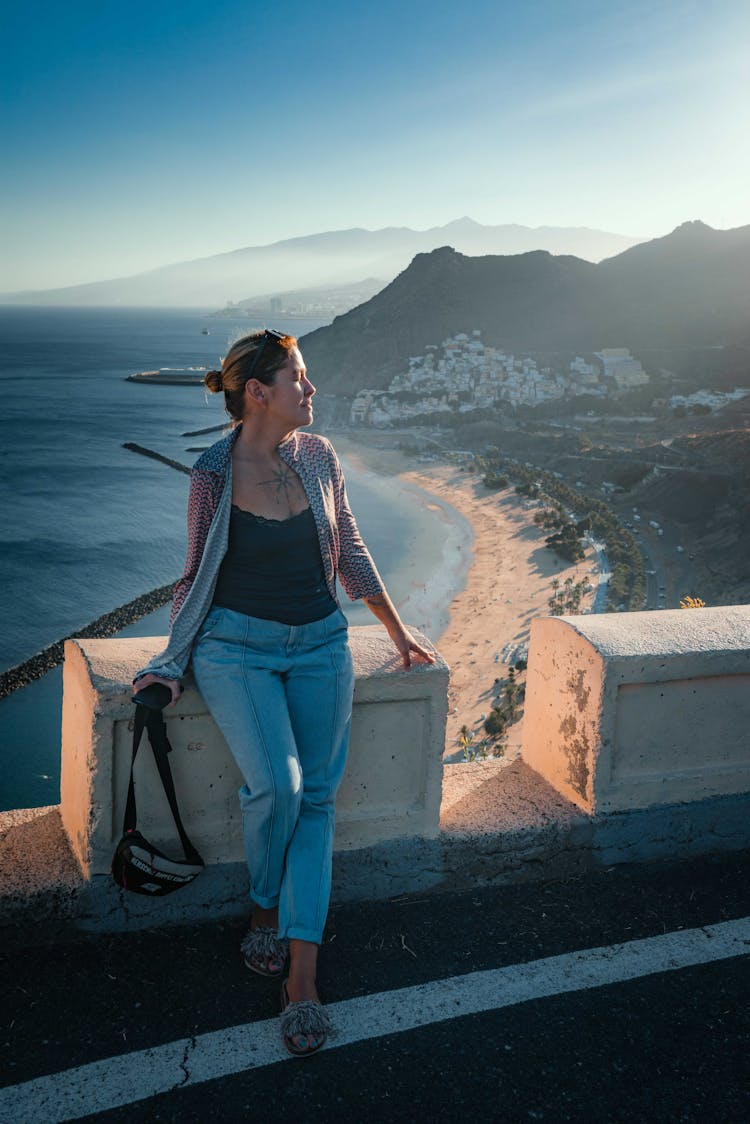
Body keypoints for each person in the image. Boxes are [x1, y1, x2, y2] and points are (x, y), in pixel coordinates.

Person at [133, 329, 434, 1057]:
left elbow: (352, 549)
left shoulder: (320, 456)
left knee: (318, 799)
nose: (312, 390)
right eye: (299, 378)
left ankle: (301, 978)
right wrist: (172, 661)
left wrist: (397, 634)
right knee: (280, 788)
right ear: (257, 393)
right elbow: (195, 573)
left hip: (323, 647)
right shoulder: (212, 473)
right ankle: (263, 906)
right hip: (236, 650)